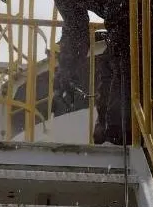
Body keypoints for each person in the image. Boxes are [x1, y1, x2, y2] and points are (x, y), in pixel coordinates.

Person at [54, 0, 132, 145]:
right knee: (111, 72)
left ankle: (121, 137)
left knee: (125, 74)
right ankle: (110, 137)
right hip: (123, 22)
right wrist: (67, 71)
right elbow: (75, 26)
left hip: (148, 11)